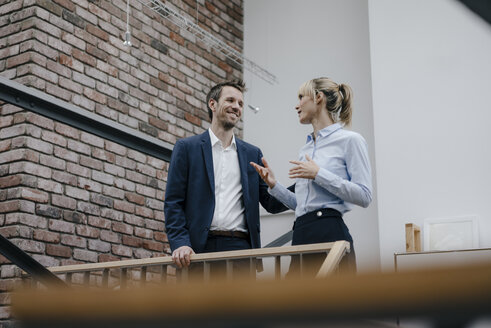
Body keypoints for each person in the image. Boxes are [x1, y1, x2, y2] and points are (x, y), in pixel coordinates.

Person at [164, 79, 287, 276]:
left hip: (241, 250)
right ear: (212, 104)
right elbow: (174, 202)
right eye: (230, 100)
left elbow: (271, 204)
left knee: (239, 308)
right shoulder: (187, 148)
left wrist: (309, 181)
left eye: (240, 103)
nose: (236, 107)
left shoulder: (252, 154)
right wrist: (180, 243)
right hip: (196, 251)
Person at [251, 77, 372, 275]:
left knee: (333, 304)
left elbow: (365, 196)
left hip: (330, 233)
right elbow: (303, 206)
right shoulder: (306, 148)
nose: (296, 105)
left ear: (318, 98)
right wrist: (274, 186)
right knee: (296, 305)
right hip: (301, 234)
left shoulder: (351, 140)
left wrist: (319, 174)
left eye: (301, 97)